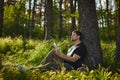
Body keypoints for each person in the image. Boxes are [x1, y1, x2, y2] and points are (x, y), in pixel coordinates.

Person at [17, 30, 87, 71]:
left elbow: (73, 60)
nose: (71, 36)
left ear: (78, 37)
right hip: (65, 62)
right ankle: (40, 65)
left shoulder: (81, 47)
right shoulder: (72, 46)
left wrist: (60, 55)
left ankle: (29, 70)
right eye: (71, 35)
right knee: (54, 51)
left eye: (73, 35)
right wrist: (58, 53)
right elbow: (67, 57)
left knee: (49, 65)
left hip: (71, 66)